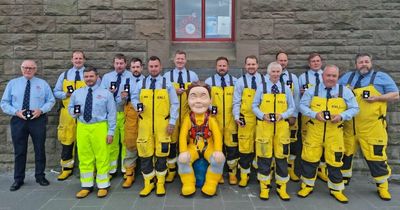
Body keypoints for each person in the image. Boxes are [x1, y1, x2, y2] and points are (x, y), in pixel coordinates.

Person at [339, 53, 399, 200]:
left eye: (366, 61)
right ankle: (344, 180)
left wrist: (378, 98)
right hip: (349, 126)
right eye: (360, 62)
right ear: (356, 64)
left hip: (372, 127)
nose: (363, 64)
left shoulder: (382, 77)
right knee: (344, 155)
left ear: (371, 63)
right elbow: (335, 91)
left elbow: (396, 95)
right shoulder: (347, 77)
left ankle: (382, 187)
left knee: (376, 158)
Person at [298, 65, 359, 203]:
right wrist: (314, 114)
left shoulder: (346, 92)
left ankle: (336, 190)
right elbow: (302, 106)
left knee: (335, 162)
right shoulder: (312, 90)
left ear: (338, 77)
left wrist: (342, 116)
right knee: (309, 159)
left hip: (335, 133)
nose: (331, 78)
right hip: (314, 131)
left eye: (334, 76)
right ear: (322, 76)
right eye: (328, 75)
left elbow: (355, 108)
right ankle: (307, 186)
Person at [1, 60, 55, 191]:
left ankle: (40, 176)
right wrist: (16, 112)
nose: (28, 70)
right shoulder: (13, 84)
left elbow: (51, 100)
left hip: (38, 120)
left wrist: (41, 110)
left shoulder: (42, 84)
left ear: (35, 69)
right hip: (18, 120)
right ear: (21, 68)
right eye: (25, 67)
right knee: (19, 151)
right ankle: (18, 179)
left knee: (39, 149)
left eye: (31, 68)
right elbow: (4, 103)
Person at [132, 56, 179, 197]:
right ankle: (148, 183)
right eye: (151, 66)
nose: (153, 69)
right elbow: (134, 98)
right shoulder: (142, 83)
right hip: (144, 125)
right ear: (148, 68)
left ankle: (160, 183)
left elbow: (175, 104)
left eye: (156, 66)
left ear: (160, 67)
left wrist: (172, 122)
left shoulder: (167, 84)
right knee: (145, 154)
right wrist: (137, 106)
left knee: (161, 154)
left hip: (163, 125)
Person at [69, 66, 116, 198]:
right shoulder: (77, 93)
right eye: (86, 77)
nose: (89, 79)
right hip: (83, 126)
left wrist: (111, 132)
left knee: (102, 156)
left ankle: (103, 185)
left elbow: (112, 114)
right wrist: (74, 112)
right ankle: (87, 185)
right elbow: (70, 109)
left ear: (97, 77)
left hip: (100, 126)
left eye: (91, 76)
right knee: (84, 157)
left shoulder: (106, 94)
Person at [252, 62, 295, 200]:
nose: (276, 74)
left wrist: (282, 115)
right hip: (265, 128)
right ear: (269, 73)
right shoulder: (262, 87)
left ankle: (282, 188)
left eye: (278, 72)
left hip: (282, 129)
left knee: (281, 158)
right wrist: (262, 116)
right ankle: (264, 187)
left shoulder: (285, 88)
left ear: (281, 73)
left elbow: (292, 107)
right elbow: (254, 105)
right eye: (273, 71)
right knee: (264, 158)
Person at [178, 81, 225, 197]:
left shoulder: (211, 119)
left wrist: (218, 150)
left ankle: (211, 182)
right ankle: (188, 182)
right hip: (193, 147)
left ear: (210, 100)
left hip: (208, 146)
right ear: (188, 100)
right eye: (193, 97)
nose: (198, 101)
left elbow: (217, 135)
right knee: (182, 160)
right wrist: (183, 151)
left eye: (203, 97)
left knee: (219, 160)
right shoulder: (188, 119)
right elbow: (182, 136)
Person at [163, 50, 199, 183]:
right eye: (178, 59)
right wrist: (174, 91)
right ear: (174, 60)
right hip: (172, 115)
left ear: (186, 60)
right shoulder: (167, 76)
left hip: (187, 115)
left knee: (188, 141)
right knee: (172, 143)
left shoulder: (192, 75)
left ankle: (187, 168)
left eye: (182, 59)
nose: (180, 61)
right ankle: (171, 170)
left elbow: (198, 93)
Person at [53, 50, 86, 181]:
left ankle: (86, 169)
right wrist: (64, 94)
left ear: (84, 60)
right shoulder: (65, 75)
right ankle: (66, 168)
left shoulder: (89, 74)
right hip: (67, 113)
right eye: (75, 58)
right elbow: (56, 91)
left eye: (80, 58)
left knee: (85, 143)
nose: (78, 60)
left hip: (85, 113)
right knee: (67, 140)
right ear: (72, 60)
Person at [205, 57, 238, 185]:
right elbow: (205, 100)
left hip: (231, 122)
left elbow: (237, 101)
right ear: (216, 67)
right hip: (215, 122)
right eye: (220, 65)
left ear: (228, 67)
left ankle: (232, 174)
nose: (222, 68)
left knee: (232, 149)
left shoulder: (235, 82)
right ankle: (218, 175)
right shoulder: (209, 82)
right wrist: (210, 108)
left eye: (224, 65)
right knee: (216, 149)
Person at [100, 54, 134, 176]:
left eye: (121, 63)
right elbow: (100, 95)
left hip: (125, 113)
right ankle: (112, 168)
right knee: (112, 142)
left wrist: (126, 96)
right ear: (113, 64)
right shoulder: (106, 77)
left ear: (125, 64)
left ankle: (126, 169)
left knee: (125, 142)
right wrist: (108, 93)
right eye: (117, 63)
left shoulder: (131, 76)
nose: (119, 66)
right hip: (111, 114)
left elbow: (136, 93)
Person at [232, 55, 264, 187]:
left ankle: (259, 175)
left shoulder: (264, 80)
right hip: (245, 120)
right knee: (245, 148)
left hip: (262, 119)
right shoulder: (240, 82)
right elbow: (236, 102)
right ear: (245, 66)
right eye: (249, 64)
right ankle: (244, 176)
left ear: (257, 65)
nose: (251, 66)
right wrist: (236, 117)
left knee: (261, 147)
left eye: (253, 64)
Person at [298, 52, 327, 181]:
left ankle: (322, 169)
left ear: (321, 62)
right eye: (313, 61)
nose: (315, 63)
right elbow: (298, 95)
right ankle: (308, 172)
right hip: (308, 114)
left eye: (317, 61)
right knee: (308, 143)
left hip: (324, 115)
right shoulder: (302, 77)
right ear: (309, 64)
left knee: (325, 142)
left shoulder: (326, 76)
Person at [275, 51, 301, 182]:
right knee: (276, 143)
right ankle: (276, 169)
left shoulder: (293, 78)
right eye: (280, 60)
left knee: (291, 143)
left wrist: (294, 115)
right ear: (276, 61)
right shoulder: (269, 77)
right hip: (275, 117)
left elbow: (296, 97)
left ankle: (291, 169)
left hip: (289, 116)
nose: (282, 62)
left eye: (285, 60)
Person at [121, 58, 145, 188]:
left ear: (142, 68)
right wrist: (122, 97)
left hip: (145, 114)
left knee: (146, 142)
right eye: (133, 67)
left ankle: (148, 173)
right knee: (130, 143)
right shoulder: (125, 82)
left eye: (138, 67)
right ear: (130, 69)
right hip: (130, 115)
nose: (135, 69)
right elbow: (120, 103)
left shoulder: (147, 81)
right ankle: (129, 175)